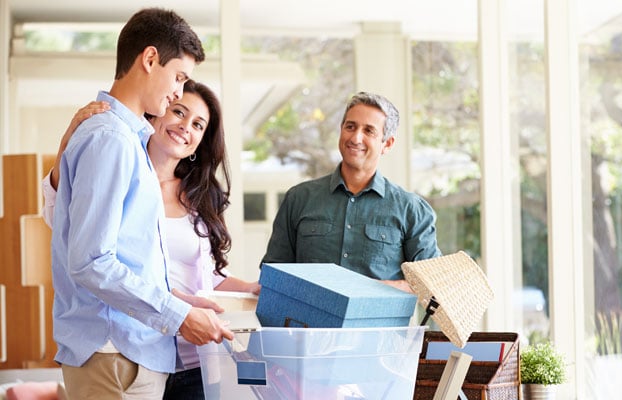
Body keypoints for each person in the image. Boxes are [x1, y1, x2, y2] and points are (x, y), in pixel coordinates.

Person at [49, 8, 233, 399]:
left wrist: (176, 298)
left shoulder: (129, 140)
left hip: (130, 352)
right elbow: (91, 260)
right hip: (114, 351)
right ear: (150, 59)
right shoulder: (110, 139)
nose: (178, 93)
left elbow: (123, 256)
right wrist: (178, 315)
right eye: (179, 77)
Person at [260, 91, 442, 293]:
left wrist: (371, 289)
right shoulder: (299, 199)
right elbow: (273, 275)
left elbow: (431, 285)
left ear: (387, 144)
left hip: (381, 325)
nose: (356, 138)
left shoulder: (411, 209)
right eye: (350, 127)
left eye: (369, 131)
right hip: (310, 324)